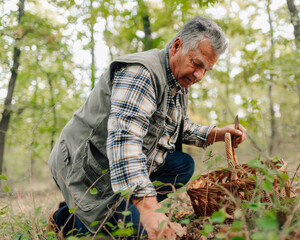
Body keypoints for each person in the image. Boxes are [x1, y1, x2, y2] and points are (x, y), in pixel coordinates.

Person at [47, 16, 246, 239]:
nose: (199, 75)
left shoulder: (178, 81)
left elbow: (176, 126)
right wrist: (148, 206)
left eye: (206, 70)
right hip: (84, 167)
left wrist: (216, 134)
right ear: (177, 46)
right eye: (196, 63)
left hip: (116, 167)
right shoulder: (140, 73)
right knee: (132, 232)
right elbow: (125, 138)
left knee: (182, 165)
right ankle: (66, 217)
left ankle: (118, 209)